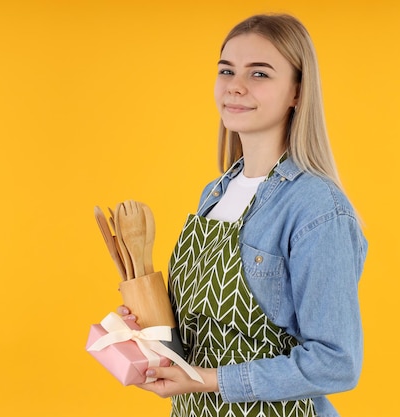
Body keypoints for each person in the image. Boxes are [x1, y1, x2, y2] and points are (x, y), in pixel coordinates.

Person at [118, 13, 368, 417]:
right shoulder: (215, 194)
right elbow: (206, 334)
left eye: (260, 74)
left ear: (297, 93)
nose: (235, 85)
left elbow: (337, 362)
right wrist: (150, 329)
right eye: (227, 70)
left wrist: (208, 380)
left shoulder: (316, 207)